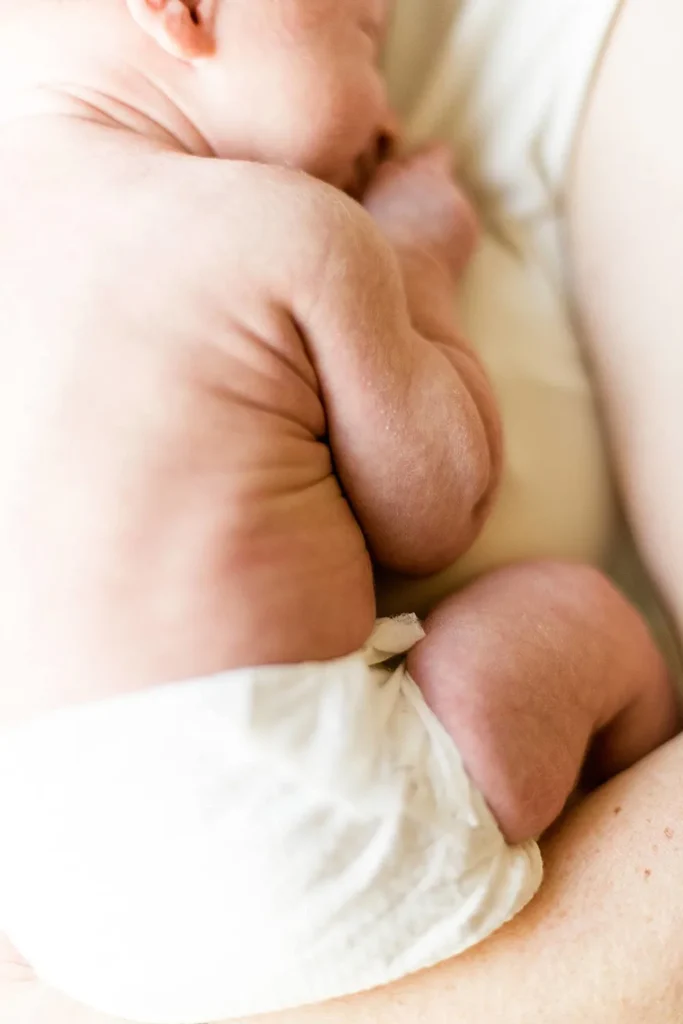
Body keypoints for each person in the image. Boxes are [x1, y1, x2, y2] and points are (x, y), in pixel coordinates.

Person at [1, 1, 682, 1023]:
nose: (390, 118)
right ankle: (611, 790)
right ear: (182, 10)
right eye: (364, 38)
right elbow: (437, 503)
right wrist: (412, 270)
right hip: (316, 846)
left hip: (65, 915)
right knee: (582, 619)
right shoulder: (291, 229)